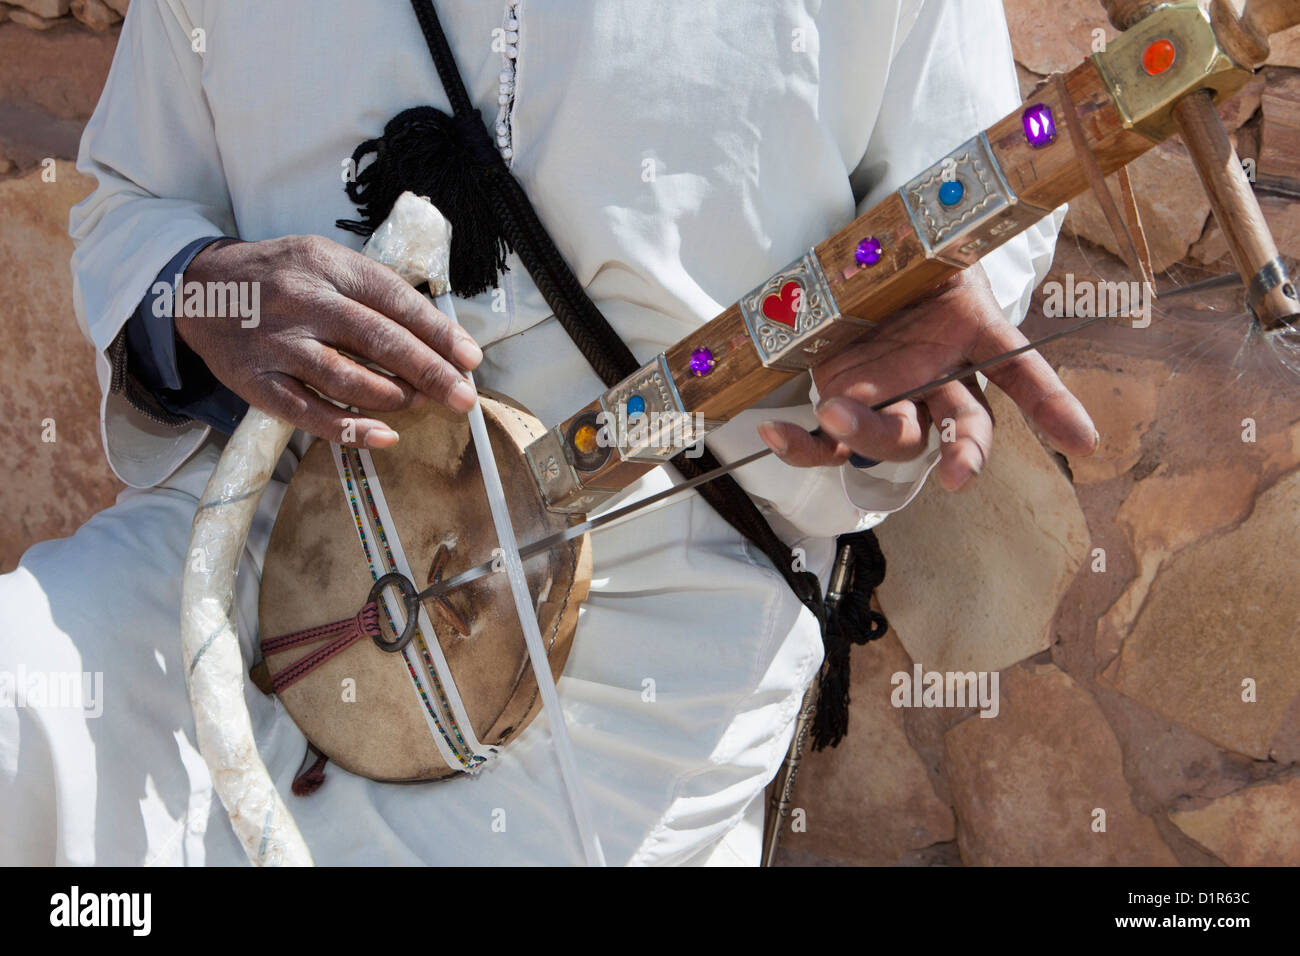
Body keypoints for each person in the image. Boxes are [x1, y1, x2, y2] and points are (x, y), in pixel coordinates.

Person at [0, 0, 1094, 865]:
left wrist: (905, 354)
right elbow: (131, 206)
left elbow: (964, 217)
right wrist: (212, 292)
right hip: (274, 533)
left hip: (654, 616)